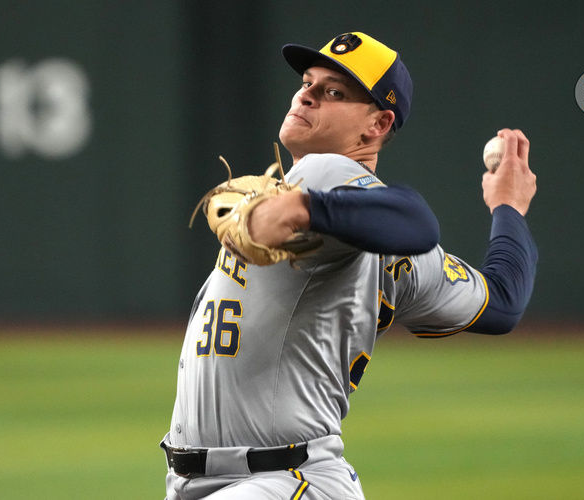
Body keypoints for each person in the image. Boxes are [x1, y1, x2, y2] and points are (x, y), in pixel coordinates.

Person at [161, 32, 537, 499]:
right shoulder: (382, 242)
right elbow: (502, 301)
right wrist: (509, 209)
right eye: (307, 82)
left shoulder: (326, 174)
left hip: (279, 480)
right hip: (238, 481)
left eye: (333, 92)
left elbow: (416, 220)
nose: (307, 94)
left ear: (377, 124)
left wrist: (303, 209)